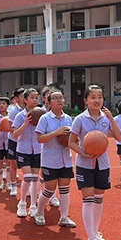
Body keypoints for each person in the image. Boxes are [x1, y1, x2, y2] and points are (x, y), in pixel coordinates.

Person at [69, 85, 121, 240]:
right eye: (93, 97)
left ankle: (96, 231)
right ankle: (91, 238)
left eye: (99, 97)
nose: (97, 100)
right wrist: (83, 153)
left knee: (99, 198)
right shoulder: (79, 119)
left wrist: (111, 119)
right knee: (88, 198)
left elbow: (120, 137)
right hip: (84, 164)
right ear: (86, 101)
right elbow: (71, 142)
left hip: (103, 163)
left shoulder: (106, 118)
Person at [34, 90, 77, 228]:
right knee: (49, 190)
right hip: (50, 160)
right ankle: (39, 212)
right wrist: (56, 133)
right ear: (49, 102)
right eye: (55, 98)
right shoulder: (45, 118)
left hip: (66, 159)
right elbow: (40, 139)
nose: (59, 100)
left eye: (61, 98)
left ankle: (64, 217)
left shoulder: (68, 119)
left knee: (65, 188)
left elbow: (73, 139)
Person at [12, 88, 42, 218]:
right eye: (32, 97)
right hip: (23, 149)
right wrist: (25, 124)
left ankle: (33, 205)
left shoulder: (42, 114)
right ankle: (22, 202)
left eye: (36, 97)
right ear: (25, 100)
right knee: (28, 176)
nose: (35, 100)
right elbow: (14, 134)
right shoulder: (19, 115)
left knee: (35, 179)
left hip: (38, 149)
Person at [7, 88, 26, 196]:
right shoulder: (14, 112)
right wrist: (21, 130)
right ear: (16, 99)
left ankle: (27, 187)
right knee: (13, 164)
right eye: (22, 96)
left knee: (26, 165)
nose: (24, 98)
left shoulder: (32, 110)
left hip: (26, 141)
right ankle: (13, 185)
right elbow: (10, 128)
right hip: (14, 141)